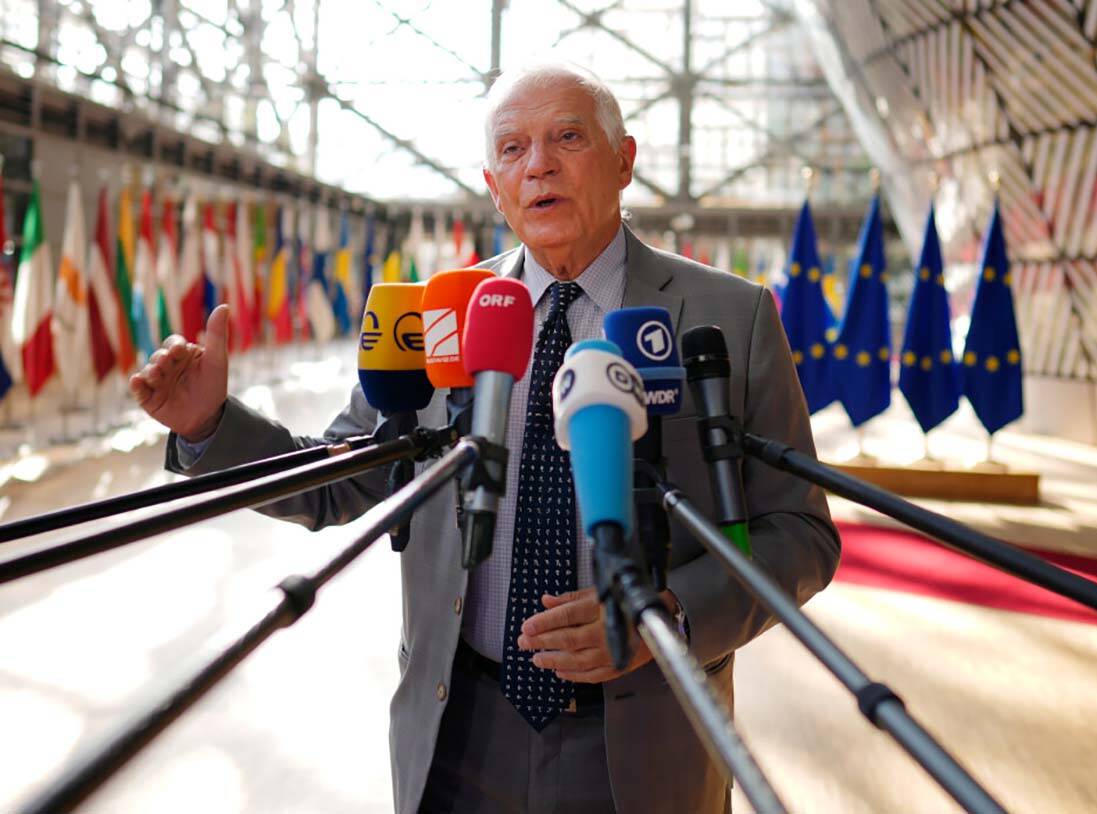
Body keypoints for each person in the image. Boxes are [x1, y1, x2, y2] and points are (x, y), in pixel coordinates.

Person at [131, 63, 840, 814]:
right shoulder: (435, 316)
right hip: (457, 732)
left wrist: (668, 616)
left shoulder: (732, 315)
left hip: (644, 741)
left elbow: (800, 533)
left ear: (624, 161)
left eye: (568, 137)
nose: (538, 164)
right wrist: (211, 425)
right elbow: (345, 477)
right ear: (493, 184)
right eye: (512, 149)